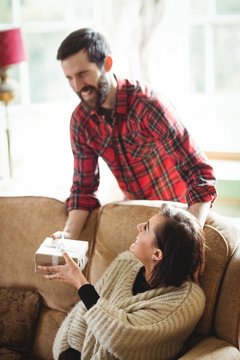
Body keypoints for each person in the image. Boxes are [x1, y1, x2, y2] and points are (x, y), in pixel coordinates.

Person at [53, 27, 217, 243]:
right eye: (69, 78)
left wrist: (191, 238)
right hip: (141, 221)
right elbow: (83, 189)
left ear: (107, 64)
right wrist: (67, 238)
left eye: (83, 74)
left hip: (181, 216)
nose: (77, 86)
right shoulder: (81, 122)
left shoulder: (148, 106)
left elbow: (200, 173)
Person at [39, 204, 206, 360]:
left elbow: (121, 336)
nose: (139, 226)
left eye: (146, 228)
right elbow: (84, 312)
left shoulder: (187, 301)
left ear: (157, 255)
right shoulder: (126, 262)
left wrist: (80, 282)